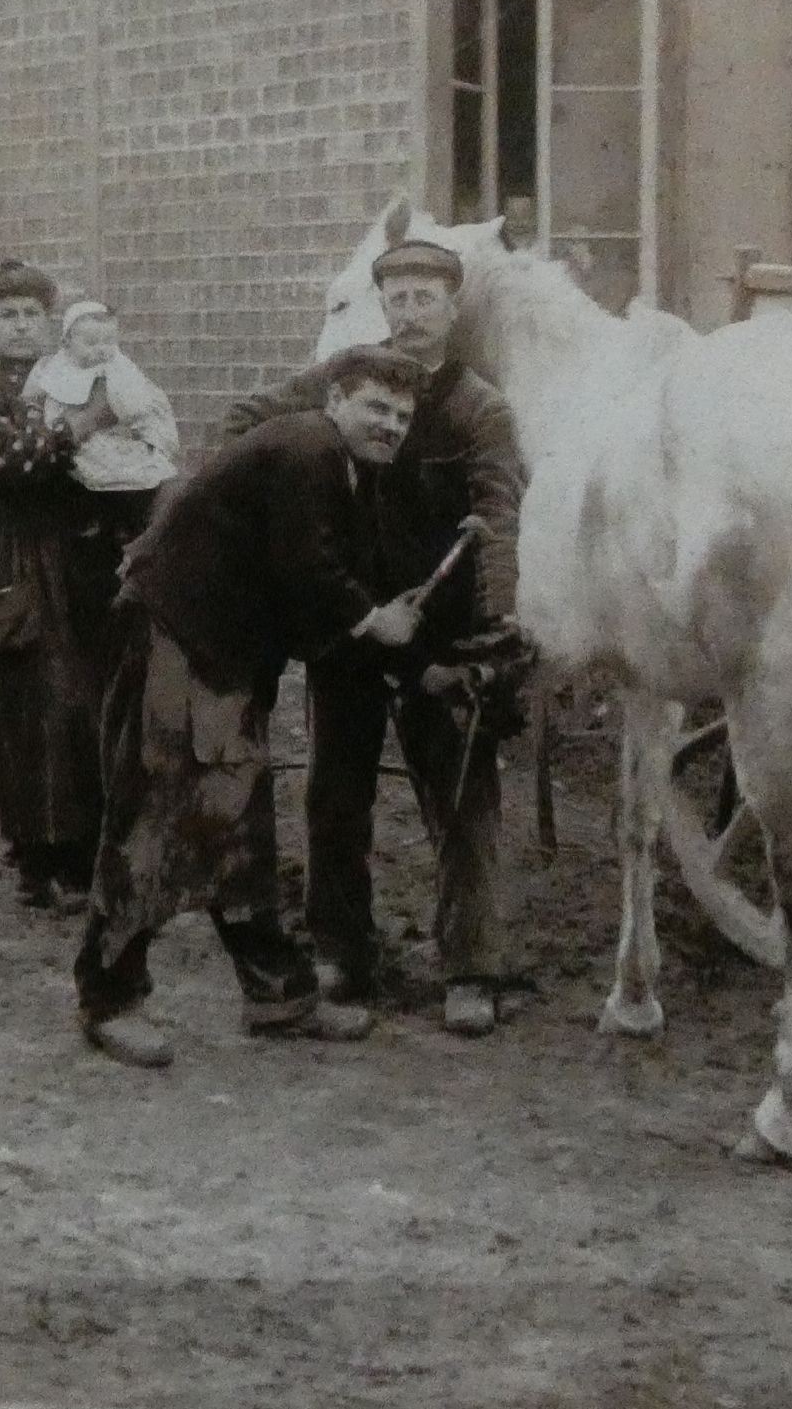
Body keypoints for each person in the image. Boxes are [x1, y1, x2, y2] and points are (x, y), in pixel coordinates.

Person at [75, 344, 433, 1069]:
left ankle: (278, 994)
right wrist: (374, 622)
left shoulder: (339, 465)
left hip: (221, 653)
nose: (391, 424)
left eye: (402, 415)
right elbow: (310, 572)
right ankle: (108, 998)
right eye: (377, 406)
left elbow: (307, 582)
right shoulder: (310, 447)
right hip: (176, 639)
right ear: (336, 399)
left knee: (237, 814)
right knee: (158, 815)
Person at [225, 238, 531, 1038]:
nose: (410, 313)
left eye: (426, 297)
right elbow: (247, 421)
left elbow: (498, 518)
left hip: (441, 632)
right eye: (396, 297)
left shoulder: (477, 407)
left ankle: (470, 966)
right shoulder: (348, 379)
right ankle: (343, 950)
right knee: (335, 792)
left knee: (461, 793)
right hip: (355, 625)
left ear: (453, 308)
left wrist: (495, 625)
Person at [0, 260, 129, 912]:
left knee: (91, 700)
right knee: (29, 700)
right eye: (7, 316)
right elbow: (6, 466)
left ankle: (84, 852)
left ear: (50, 322)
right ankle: (36, 855)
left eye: (31, 314)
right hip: (14, 556)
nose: (22, 325)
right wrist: (81, 427)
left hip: (85, 550)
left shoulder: (79, 376)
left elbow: (132, 440)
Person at [20, 300, 179, 534]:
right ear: (67, 342)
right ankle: (93, 518)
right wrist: (34, 408)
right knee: (78, 479)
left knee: (129, 476)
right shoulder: (56, 366)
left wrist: (121, 400)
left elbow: (136, 404)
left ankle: (126, 521)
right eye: (91, 343)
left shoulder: (117, 366)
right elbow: (35, 392)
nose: (101, 349)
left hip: (113, 438)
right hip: (73, 442)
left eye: (108, 342)